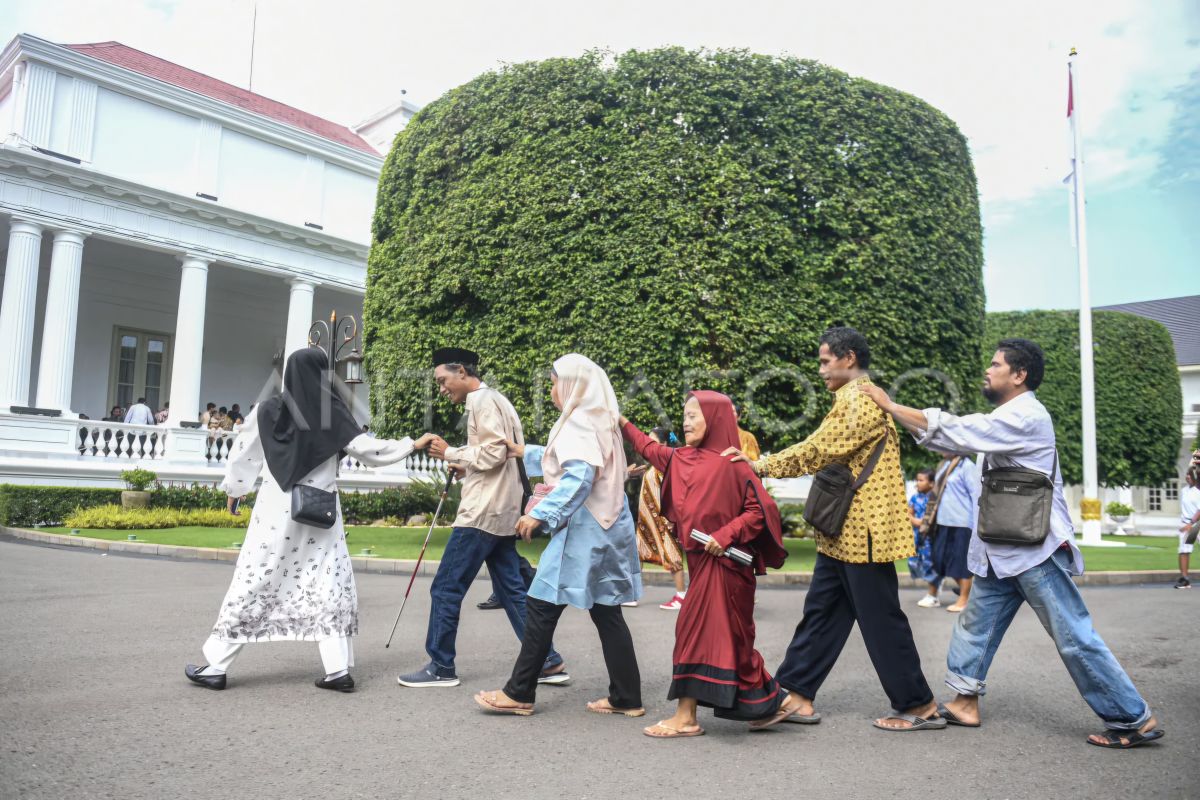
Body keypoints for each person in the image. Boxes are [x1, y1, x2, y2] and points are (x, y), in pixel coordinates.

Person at [860, 337, 1163, 749]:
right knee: (974, 625)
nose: (988, 369)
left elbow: (963, 429)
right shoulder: (1006, 416)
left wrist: (893, 406)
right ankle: (965, 700)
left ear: (1019, 375)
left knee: (1073, 636)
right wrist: (902, 418)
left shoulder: (1027, 415)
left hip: (1033, 549)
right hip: (1001, 547)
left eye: (996, 363)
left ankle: (1132, 717)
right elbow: (954, 442)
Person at [728, 327, 942, 732]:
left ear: (848, 358)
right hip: (843, 533)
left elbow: (817, 450)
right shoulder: (851, 398)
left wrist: (757, 465)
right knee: (822, 614)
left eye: (826, 361)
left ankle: (919, 705)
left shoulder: (860, 401)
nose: (821, 369)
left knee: (881, 621)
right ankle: (796, 694)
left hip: (863, 533)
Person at [184, 347, 425, 692]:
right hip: (319, 511)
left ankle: (217, 665)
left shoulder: (267, 410)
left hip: (274, 511)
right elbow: (368, 451)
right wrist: (410, 444)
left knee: (257, 579)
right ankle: (338, 670)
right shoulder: (332, 411)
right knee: (327, 581)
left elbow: (244, 453)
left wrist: (235, 489)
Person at [475, 354, 642, 717]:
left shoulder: (579, 422)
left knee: (540, 606)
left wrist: (539, 514)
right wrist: (525, 452)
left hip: (583, 533)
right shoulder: (601, 421)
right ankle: (627, 696)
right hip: (607, 528)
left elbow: (578, 476)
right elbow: (569, 463)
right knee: (607, 612)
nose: (551, 390)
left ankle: (519, 692)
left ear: (572, 385)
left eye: (554, 382)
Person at [398, 348, 567, 688]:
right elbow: (501, 456)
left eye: (443, 381)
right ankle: (547, 660)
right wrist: (465, 467)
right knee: (512, 592)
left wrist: (451, 452)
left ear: (461, 371)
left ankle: (441, 667)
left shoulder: (481, 401)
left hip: (481, 514)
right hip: (503, 511)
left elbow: (494, 452)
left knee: (446, 587)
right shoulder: (498, 399)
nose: (442, 389)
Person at [624, 391, 788, 738]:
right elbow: (648, 448)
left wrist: (724, 535)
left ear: (714, 419)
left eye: (694, 415)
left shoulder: (735, 463)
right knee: (734, 642)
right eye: (684, 415)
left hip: (727, 568)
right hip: (699, 565)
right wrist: (619, 421)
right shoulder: (681, 458)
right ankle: (768, 702)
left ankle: (686, 717)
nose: (686, 422)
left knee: (693, 632)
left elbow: (761, 512)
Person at [629, 427, 688, 610]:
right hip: (648, 522)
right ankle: (633, 594)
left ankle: (681, 596)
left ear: (662, 445)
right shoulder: (654, 465)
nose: (647, 444)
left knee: (672, 556)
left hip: (663, 520)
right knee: (638, 553)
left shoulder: (667, 463)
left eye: (652, 441)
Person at [928, 455, 979, 613]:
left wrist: (977, 525)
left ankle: (963, 599)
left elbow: (976, 495)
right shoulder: (945, 465)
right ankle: (970, 593)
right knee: (940, 560)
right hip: (943, 520)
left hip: (962, 522)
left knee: (960, 562)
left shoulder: (967, 466)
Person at [907, 468, 941, 608]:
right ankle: (933, 589)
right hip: (917, 537)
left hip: (930, 537)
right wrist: (917, 522)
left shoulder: (935, 498)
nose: (918, 483)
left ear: (932, 483)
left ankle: (933, 595)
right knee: (915, 562)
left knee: (929, 563)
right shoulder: (915, 498)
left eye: (921, 480)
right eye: (917, 480)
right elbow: (908, 514)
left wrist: (924, 523)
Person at [1177, 466, 1200, 589]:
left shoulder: (1198, 492)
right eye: (1186, 474)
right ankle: (1185, 579)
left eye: (1190, 474)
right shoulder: (1184, 490)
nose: (1187, 476)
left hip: (1195, 524)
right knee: (1183, 551)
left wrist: (1190, 524)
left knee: (1184, 551)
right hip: (1186, 524)